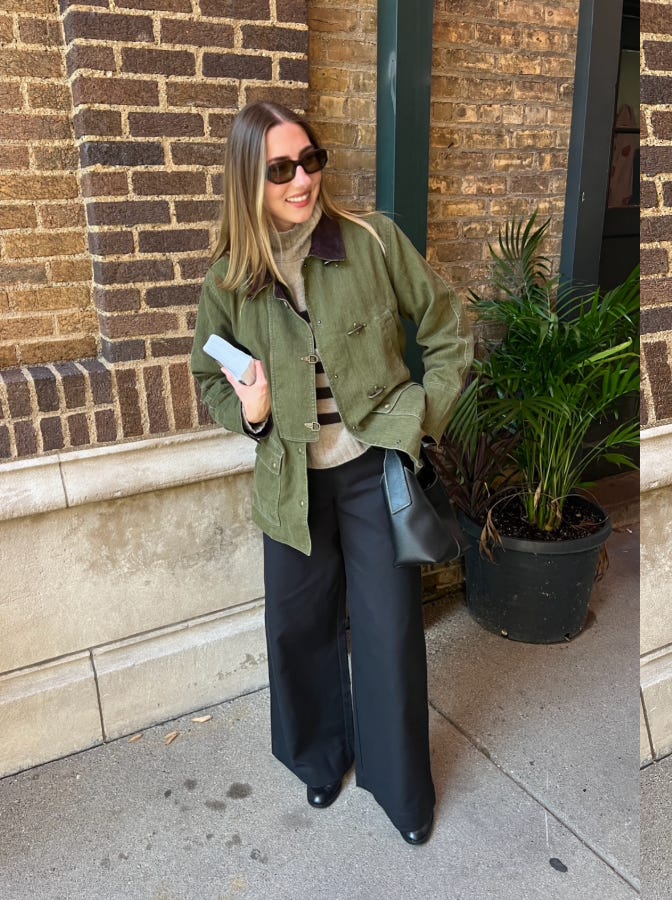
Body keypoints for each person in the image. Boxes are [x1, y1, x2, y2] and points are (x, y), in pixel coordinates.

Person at [190, 101, 472, 845]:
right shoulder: (230, 280)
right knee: (297, 628)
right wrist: (251, 413)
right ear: (248, 179)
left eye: (310, 161)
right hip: (291, 482)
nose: (302, 180)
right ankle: (318, 759)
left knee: (388, 633)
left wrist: (421, 415)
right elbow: (209, 376)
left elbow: (446, 324)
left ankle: (402, 791)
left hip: (373, 468)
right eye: (280, 168)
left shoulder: (372, 240)